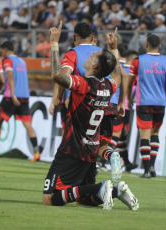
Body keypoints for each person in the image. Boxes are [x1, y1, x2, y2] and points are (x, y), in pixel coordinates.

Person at [43, 22, 139, 211]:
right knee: (83, 200)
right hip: (92, 148)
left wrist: (54, 44)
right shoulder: (109, 86)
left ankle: (102, 187)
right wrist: (114, 49)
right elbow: (119, 75)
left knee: (50, 199)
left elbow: (56, 75)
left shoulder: (83, 84)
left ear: (94, 65)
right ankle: (115, 191)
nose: (90, 55)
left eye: (93, 56)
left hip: (72, 148)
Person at [50, 23, 125, 182]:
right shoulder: (101, 52)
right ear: (92, 38)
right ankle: (109, 158)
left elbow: (62, 76)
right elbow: (119, 75)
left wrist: (59, 97)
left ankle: (68, 182)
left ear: (74, 37)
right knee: (99, 145)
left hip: (85, 105)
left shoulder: (73, 54)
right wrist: (121, 102)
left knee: (78, 143)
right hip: (107, 102)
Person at [128, 34, 166, 178]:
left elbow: (129, 81)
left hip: (143, 102)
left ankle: (146, 170)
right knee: (155, 134)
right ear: (160, 46)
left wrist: (127, 98)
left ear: (146, 45)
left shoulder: (137, 61)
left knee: (144, 136)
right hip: (160, 103)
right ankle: (152, 167)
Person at [0, 41, 40, 161]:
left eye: (2, 51)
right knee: (28, 125)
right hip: (24, 97)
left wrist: (13, 94)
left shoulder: (6, 60)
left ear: (5, 50)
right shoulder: (22, 61)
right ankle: (36, 153)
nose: (1, 53)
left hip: (10, 97)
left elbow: (9, 76)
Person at [109, 48, 139, 172]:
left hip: (114, 105)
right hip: (123, 107)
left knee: (121, 136)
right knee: (116, 134)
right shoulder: (130, 73)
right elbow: (134, 90)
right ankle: (100, 160)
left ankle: (126, 162)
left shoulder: (117, 69)